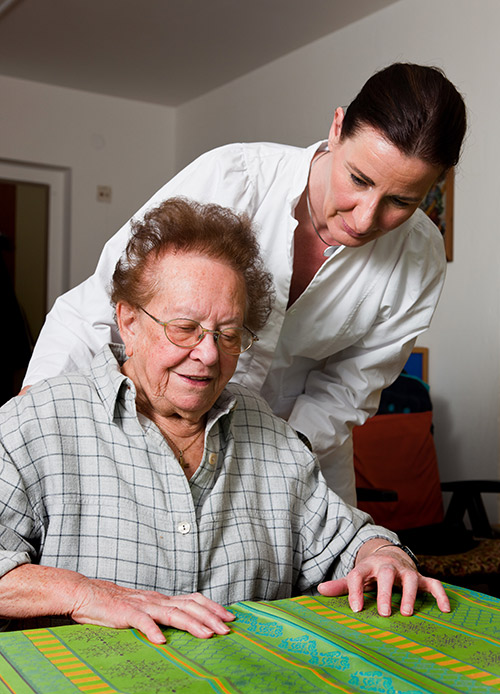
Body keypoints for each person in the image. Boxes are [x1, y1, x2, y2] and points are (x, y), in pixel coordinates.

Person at [0, 198, 449, 644]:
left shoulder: (267, 431)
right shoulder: (39, 422)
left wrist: (386, 556)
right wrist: (89, 594)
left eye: (229, 335)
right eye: (184, 328)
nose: (209, 354)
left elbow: (348, 540)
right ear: (129, 322)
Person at [22, 63, 467, 506]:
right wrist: (30, 419)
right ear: (337, 128)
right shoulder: (233, 178)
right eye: (358, 179)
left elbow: (347, 388)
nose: (366, 217)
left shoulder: (419, 258)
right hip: (164, 427)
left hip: (296, 451)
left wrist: (273, 461)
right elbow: (103, 302)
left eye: (401, 201)